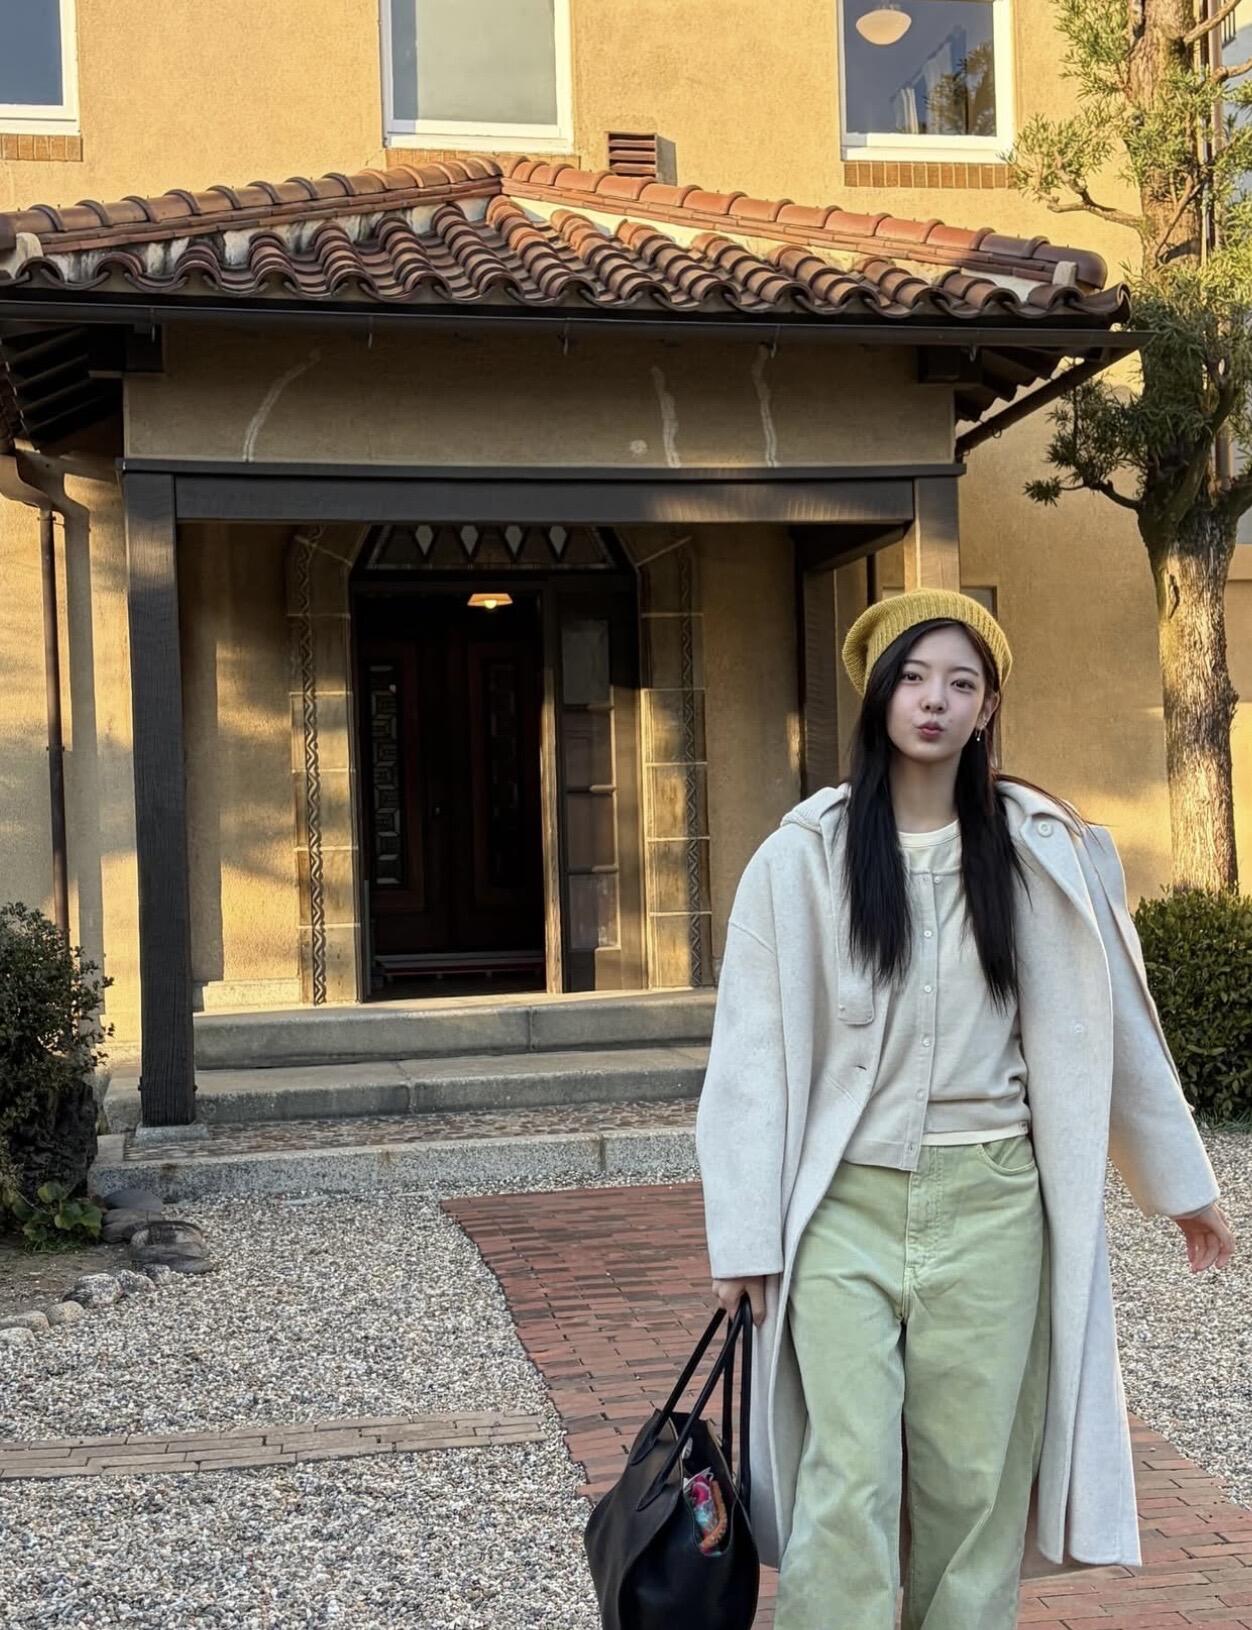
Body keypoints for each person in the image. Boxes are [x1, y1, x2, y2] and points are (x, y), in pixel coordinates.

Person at [694, 588, 1236, 1630]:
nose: (933, 700)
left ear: (987, 707)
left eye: (960, 682)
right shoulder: (803, 856)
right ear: (878, 694)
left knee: (972, 1487)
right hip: (844, 1204)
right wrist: (745, 1236)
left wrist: (1182, 1189)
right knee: (845, 1478)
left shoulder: (1042, 851)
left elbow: (1115, 1031)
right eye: (912, 677)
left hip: (993, 1205)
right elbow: (749, 1058)